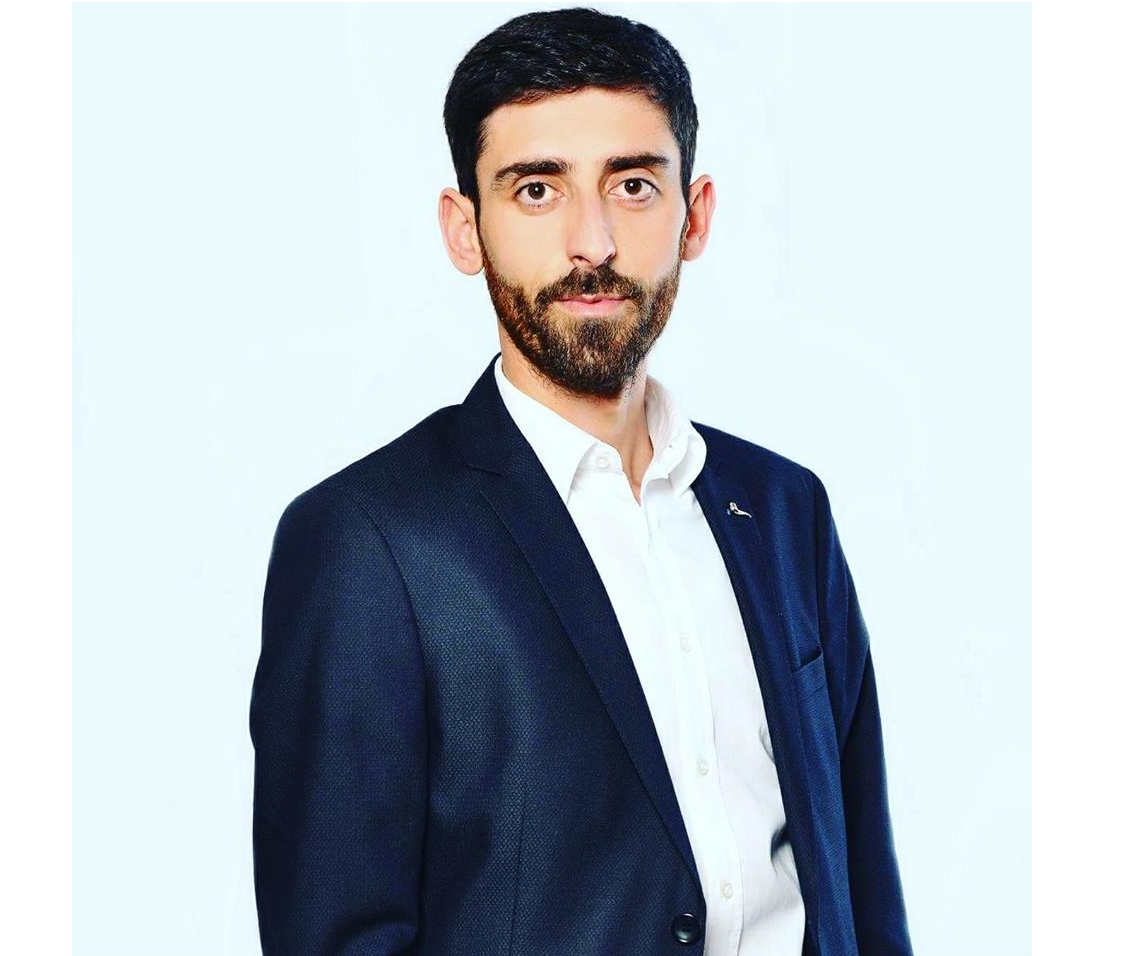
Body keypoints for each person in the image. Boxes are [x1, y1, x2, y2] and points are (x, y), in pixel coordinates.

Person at [251, 9, 912, 955]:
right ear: (465, 230)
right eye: (537, 189)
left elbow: (863, 891)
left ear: (695, 215)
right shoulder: (369, 541)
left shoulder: (782, 509)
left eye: (633, 185)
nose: (592, 241)